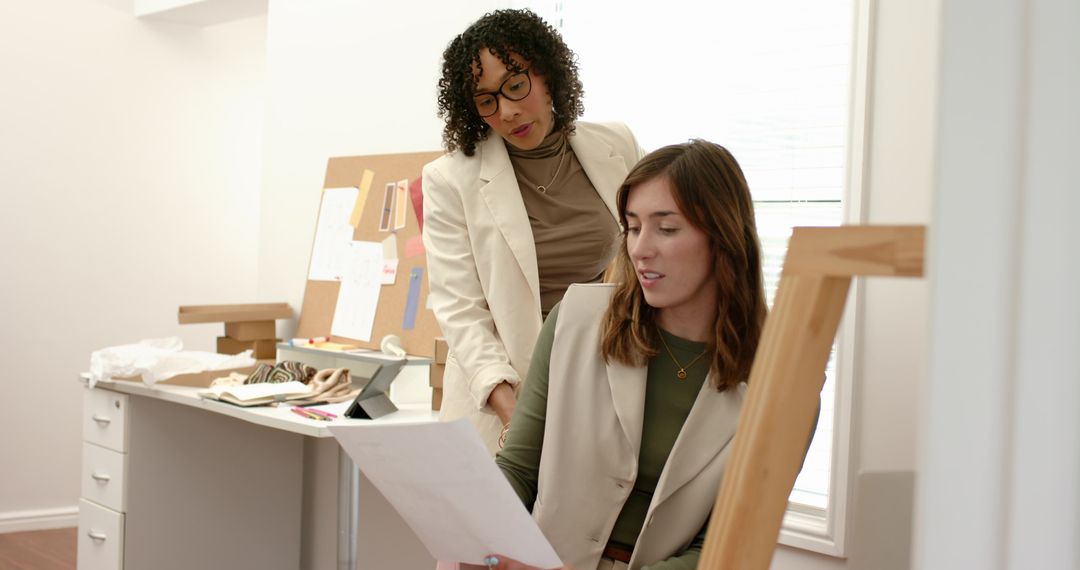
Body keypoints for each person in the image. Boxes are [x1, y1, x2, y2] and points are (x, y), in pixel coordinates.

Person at [469, 140, 768, 570]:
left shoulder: (776, 381)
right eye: (632, 226)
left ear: (722, 237)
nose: (641, 248)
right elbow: (518, 469)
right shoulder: (576, 320)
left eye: (666, 228)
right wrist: (484, 538)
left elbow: (724, 548)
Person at [423, 8, 646, 453]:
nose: (507, 112)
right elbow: (462, 314)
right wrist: (518, 419)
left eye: (515, 85)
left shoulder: (617, 145)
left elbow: (654, 246)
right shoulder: (450, 180)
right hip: (507, 397)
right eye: (486, 101)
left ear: (547, 72)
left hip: (602, 377)